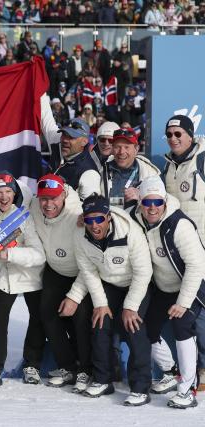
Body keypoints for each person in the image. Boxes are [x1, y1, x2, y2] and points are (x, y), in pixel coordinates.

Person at [129, 176, 204, 408]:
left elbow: (196, 266)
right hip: (163, 286)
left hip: (191, 286)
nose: (152, 208)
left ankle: (187, 389)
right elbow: (113, 217)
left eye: (157, 203)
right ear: (140, 202)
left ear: (164, 201)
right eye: (147, 202)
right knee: (146, 326)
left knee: (182, 327)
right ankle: (171, 372)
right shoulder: (135, 217)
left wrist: (183, 303)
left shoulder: (179, 224)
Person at [75, 194, 153, 405]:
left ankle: (141, 387)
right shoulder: (80, 236)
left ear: (108, 217)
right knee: (100, 323)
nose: (94, 225)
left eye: (99, 219)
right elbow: (88, 271)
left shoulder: (130, 232)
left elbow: (144, 272)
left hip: (136, 283)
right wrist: (100, 303)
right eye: (89, 220)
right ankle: (103, 379)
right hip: (109, 283)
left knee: (133, 326)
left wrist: (130, 307)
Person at [0, 172, 46, 388]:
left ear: (15, 193)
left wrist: (11, 254)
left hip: (30, 277)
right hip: (4, 278)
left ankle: (32, 365)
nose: (3, 197)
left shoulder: (24, 218)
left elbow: (39, 254)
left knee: (36, 319)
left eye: (8, 191)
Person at [31, 173, 93, 391]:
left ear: (64, 195)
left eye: (54, 198)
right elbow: (11, 194)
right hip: (56, 270)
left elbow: (91, 263)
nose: (48, 204)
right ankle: (67, 366)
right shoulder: (34, 208)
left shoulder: (78, 215)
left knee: (81, 316)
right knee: (47, 313)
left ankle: (85, 369)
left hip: (82, 272)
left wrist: (74, 297)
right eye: (44, 199)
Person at [160, 115, 205, 389]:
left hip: (202, 250)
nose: (174, 139)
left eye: (179, 133)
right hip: (178, 253)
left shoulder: (202, 159)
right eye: (169, 134)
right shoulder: (168, 166)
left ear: (190, 135)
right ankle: (195, 368)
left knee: (199, 312)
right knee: (189, 312)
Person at [100, 127, 159, 209]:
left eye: (126, 147)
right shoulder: (101, 171)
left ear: (136, 149)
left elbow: (162, 205)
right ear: (112, 149)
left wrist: (142, 198)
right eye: (117, 147)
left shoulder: (150, 174)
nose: (121, 152)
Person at [55, 118, 101, 200]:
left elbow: (89, 210)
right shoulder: (60, 153)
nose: (65, 140)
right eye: (64, 134)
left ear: (84, 141)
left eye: (71, 137)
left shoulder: (89, 174)